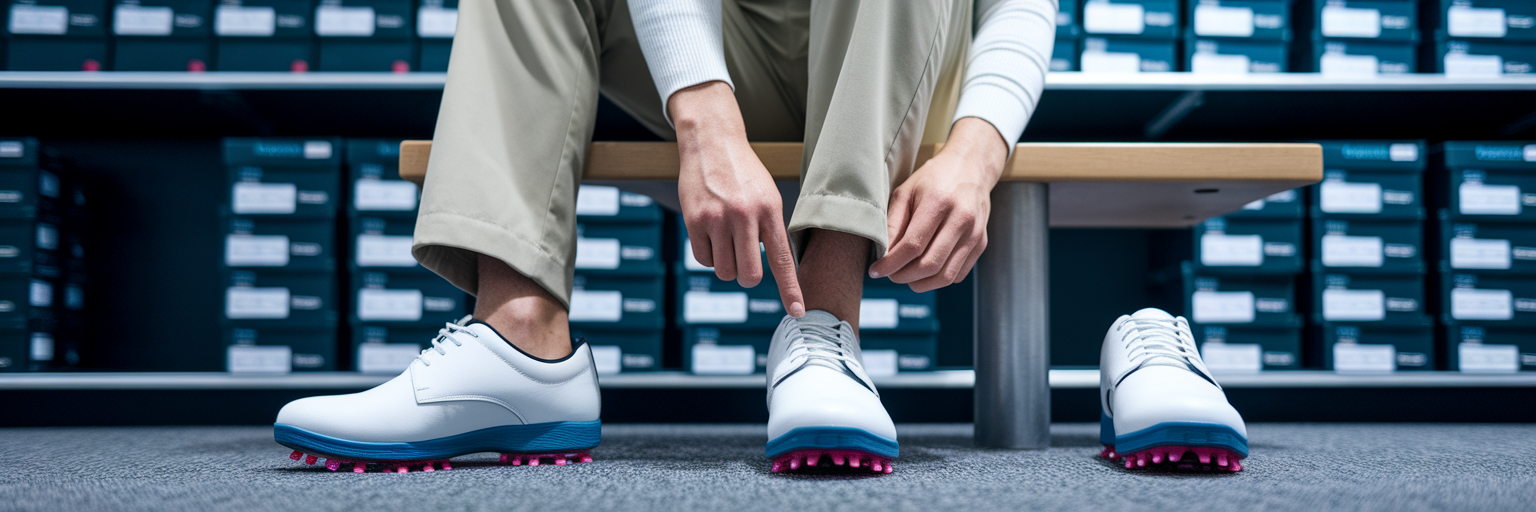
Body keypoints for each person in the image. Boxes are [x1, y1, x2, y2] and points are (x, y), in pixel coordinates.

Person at [272, 0, 1057, 474]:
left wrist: (976, 152)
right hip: (722, 40)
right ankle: (517, 341)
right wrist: (703, 116)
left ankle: (823, 330)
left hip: (899, 46)